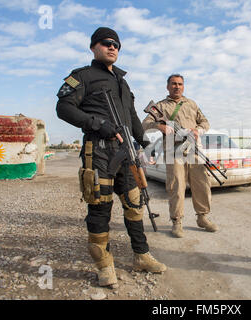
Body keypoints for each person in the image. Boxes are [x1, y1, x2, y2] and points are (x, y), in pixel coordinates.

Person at [56, 27, 166, 288]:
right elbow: (63, 107)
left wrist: (145, 143)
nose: (113, 47)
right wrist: (96, 123)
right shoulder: (82, 76)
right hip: (100, 152)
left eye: (117, 44)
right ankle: (105, 266)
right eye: (107, 43)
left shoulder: (122, 81)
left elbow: (133, 118)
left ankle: (141, 255)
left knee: (135, 204)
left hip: (126, 153)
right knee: (100, 207)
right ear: (94, 46)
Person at [142, 74, 219, 238]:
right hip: (173, 149)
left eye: (180, 84)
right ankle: (177, 221)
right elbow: (145, 124)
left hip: (193, 148)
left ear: (183, 86)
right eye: (174, 84)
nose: (177, 86)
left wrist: (197, 131)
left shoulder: (191, 103)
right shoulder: (160, 106)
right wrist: (159, 126)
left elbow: (205, 122)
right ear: (168, 86)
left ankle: (202, 217)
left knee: (202, 183)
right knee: (176, 186)